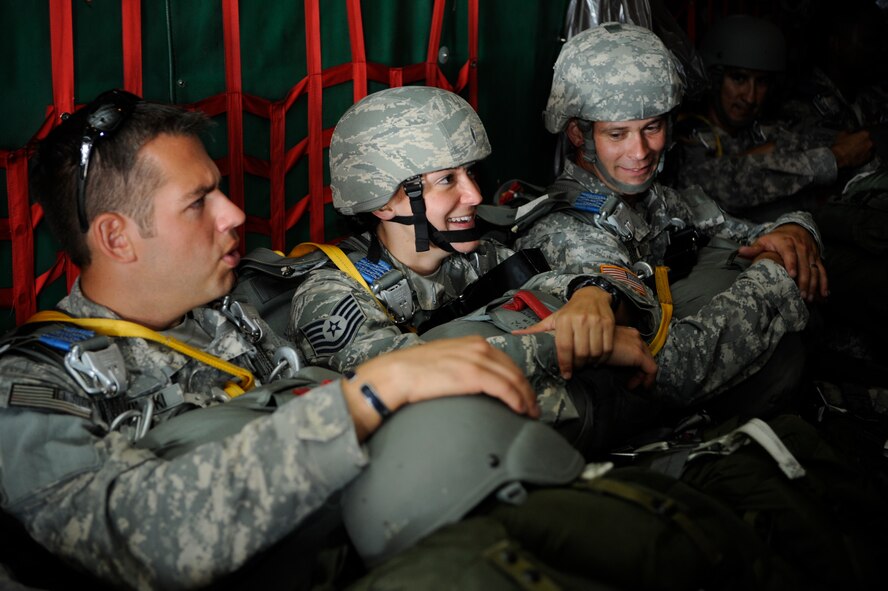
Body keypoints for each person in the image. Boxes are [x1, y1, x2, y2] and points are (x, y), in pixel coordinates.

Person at [0, 89, 543, 589]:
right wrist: (362, 400)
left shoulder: (227, 316)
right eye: (199, 201)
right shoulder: (31, 386)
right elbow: (143, 537)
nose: (234, 213)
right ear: (117, 237)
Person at [287, 85, 660, 451]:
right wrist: (576, 345)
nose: (475, 195)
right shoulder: (330, 296)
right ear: (384, 203)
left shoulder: (478, 258)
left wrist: (594, 295)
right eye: (448, 180)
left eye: (470, 173)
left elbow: (600, 287)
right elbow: (406, 377)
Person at [512, 22, 825, 418]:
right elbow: (669, 372)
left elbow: (754, 233)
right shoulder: (567, 232)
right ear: (578, 134)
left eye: (652, 128)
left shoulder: (657, 198)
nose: (640, 151)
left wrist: (796, 231)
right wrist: (773, 276)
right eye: (617, 134)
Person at [671, 14, 875, 222]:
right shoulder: (687, 138)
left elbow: (822, 140)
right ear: (715, 79)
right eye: (739, 78)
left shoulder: (766, 128)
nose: (750, 97)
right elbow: (718, 184)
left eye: (761, 82)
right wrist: (835, 157)